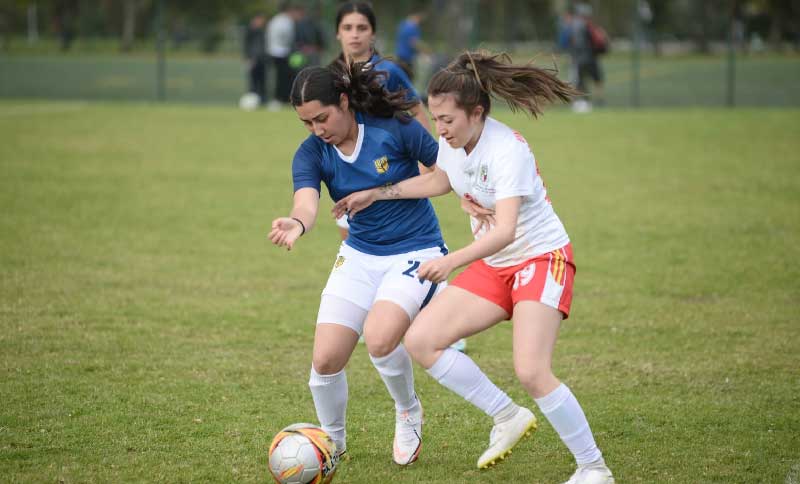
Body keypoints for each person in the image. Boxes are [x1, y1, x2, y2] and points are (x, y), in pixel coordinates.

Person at [333, 51, 615, 484]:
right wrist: (379, 192)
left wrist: (450, 261)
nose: (438, 129)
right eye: (436, 117)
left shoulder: (507, 151)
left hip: (540, 259)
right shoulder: (452, 145)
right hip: (496, 264)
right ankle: (507, 416)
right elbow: (440, 181)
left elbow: (503, 231)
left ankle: (594, 467)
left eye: (447, 119)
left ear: (477, 112)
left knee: (531, 370)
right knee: (422, 340)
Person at [268, 59, 447, 466]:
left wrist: (382, 191)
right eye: (307, 123)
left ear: (344, 101)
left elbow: (444, 178)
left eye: (322, 118)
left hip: (415, 250)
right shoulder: (312, 152)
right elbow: (306, 202)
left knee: (381, 338)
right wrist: (297, 223)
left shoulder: (393, 127)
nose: (317, 130)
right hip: (360, 255)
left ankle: (407, 410)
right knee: (325, 360)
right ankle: (329, 444)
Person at [332, 2, 466, 353]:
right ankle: (375, 312)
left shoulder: (387, 71)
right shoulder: (331, 75)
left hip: (391, 167)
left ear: (373, 33)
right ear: (338, 33)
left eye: (362, 27)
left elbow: (417, 112)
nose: (355, 34)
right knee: (355, 238)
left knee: (413, 236)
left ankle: (448, 316)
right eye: (348, 27)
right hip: (350, 174)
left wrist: (428, 162)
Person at [567, 3, 605, 112]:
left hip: (581, 59)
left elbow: (575, 43)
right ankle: (598, 102)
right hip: (591, 58)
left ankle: (582, 102)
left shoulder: (576, 26)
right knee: (596, 80)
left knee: (580, 81)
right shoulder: (590, 25)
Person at [267, 3, 304, 108]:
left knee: (283, 77)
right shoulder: (286, 21)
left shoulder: (275, 20)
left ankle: (283, 98)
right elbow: (287, 37)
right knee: (283, 77)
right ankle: (279, 99)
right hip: (282, 52)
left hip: (274, 51)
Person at [394, 10, 428, 81]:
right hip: (407, 59)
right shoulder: (413, 27)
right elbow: (414, 43)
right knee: (408, 80)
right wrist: (425, 51)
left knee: (398, 78)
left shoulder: (402, 24)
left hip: (399, 56)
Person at [243, 13, 268, 105]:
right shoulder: (250, 31)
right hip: (253, 59)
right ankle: (251, 100)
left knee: (263, 81)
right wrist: (248, 58)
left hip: (263, 60)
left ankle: (263, 100)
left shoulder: (263, 31)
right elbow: (246, 46)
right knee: (253, 81)